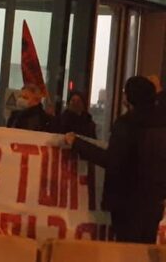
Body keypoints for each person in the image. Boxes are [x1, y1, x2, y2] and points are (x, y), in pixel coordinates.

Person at [66, 76, 166, 244]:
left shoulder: (127, 124)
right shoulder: (161, 124)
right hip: (153, 203)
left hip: (126, 202)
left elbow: (112, 160)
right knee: (144, 249)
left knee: (127, 249)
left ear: (131, 97)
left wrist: (77, 143)